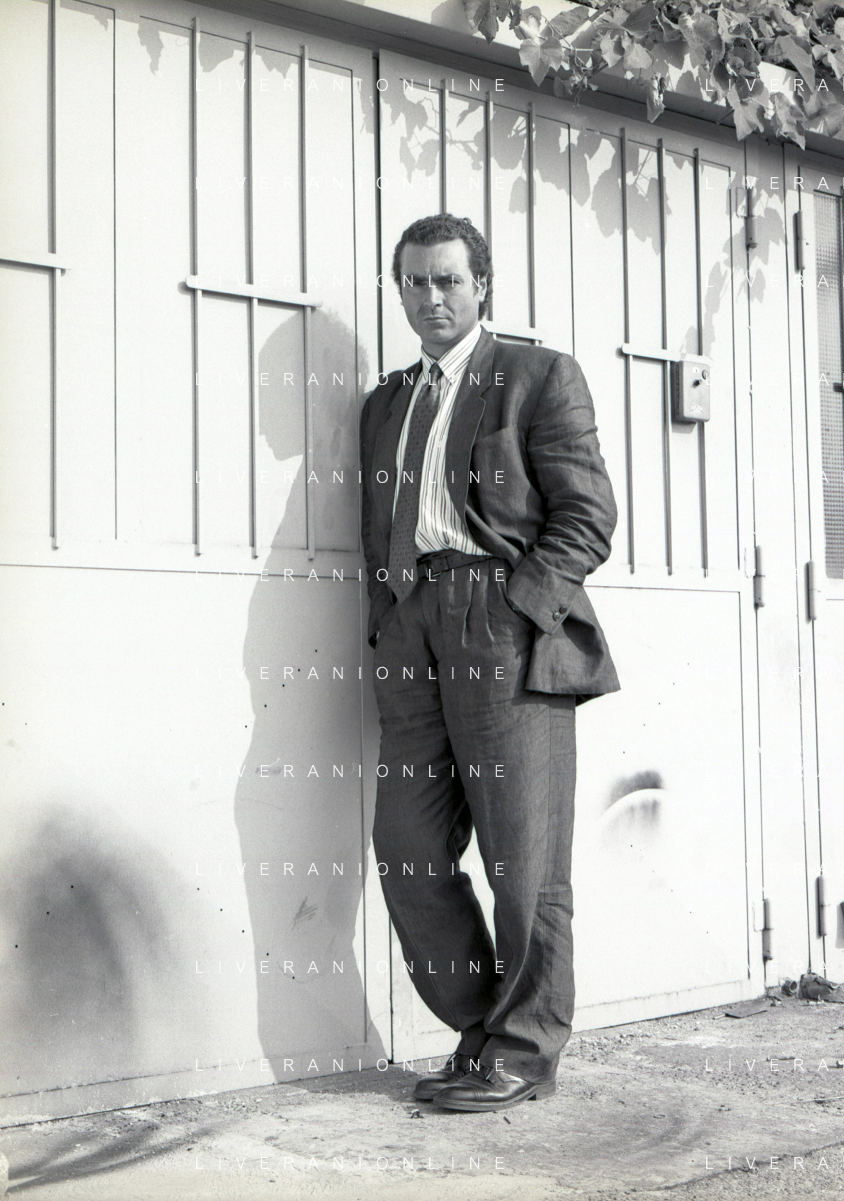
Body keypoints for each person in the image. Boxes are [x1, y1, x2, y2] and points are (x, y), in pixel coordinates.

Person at [359, 213, 618, 1113]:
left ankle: (525, 1049)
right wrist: (390, 621)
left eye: (447, 280)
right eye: (414, 282)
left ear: (481, 286)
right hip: (413, 626)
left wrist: (517, 607)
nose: (430, 297)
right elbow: (376, 527)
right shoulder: (385, 403)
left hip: (499, 620)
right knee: (405, 846)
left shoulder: (537, 376)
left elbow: (586, 515)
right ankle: (480, 1031)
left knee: (523, 858)